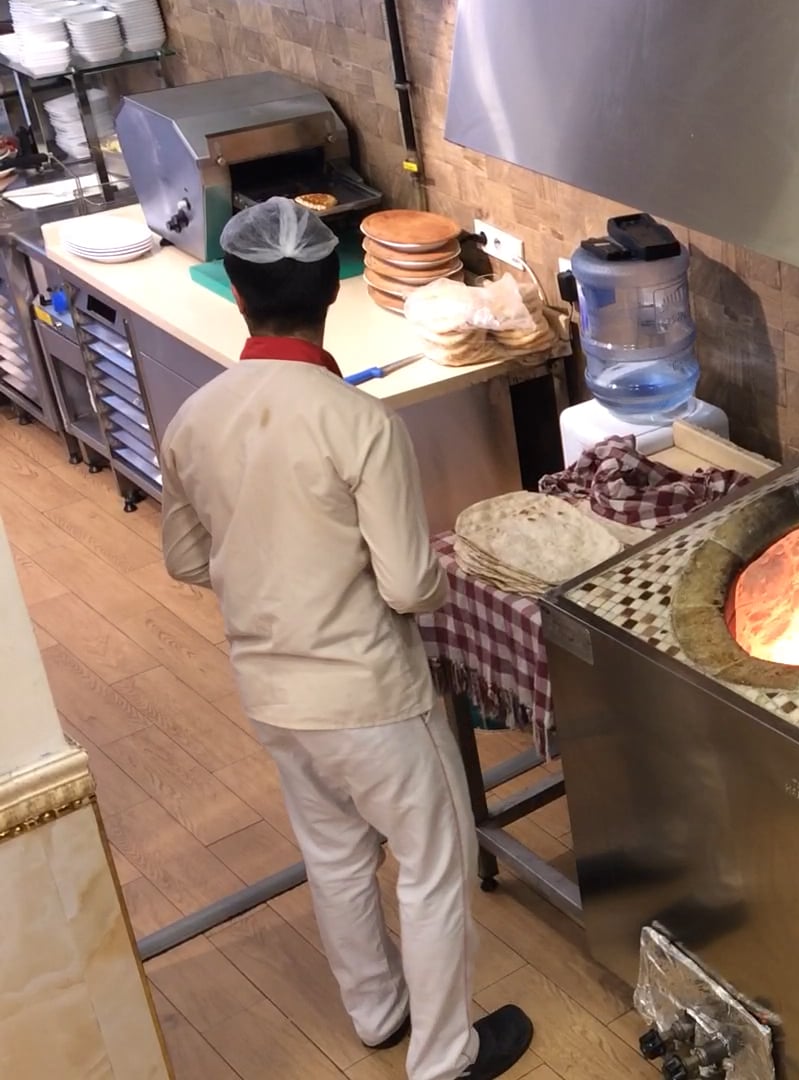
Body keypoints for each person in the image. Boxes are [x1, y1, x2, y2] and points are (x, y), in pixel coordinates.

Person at [159, 198, 533, 1080]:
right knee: (434, 866)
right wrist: (443, 583)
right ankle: (445, 1057)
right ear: (334, 287)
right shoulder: (358, 421)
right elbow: (407, 583)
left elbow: (184, 559)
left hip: (273, 691)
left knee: (333, 856)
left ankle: (376, 1013)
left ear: (238, 296)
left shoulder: (196, 419)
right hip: (370, 694)